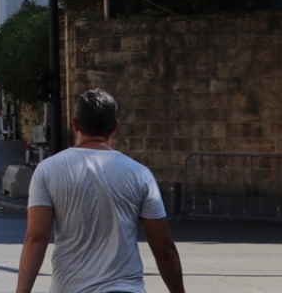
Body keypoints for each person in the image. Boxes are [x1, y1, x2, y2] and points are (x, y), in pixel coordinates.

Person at [16, 89, 186, 293]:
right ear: (115, 126)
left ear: (75, 124)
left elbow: (36, 237)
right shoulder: (140, 174)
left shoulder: (48, 170)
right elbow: (164, 249)